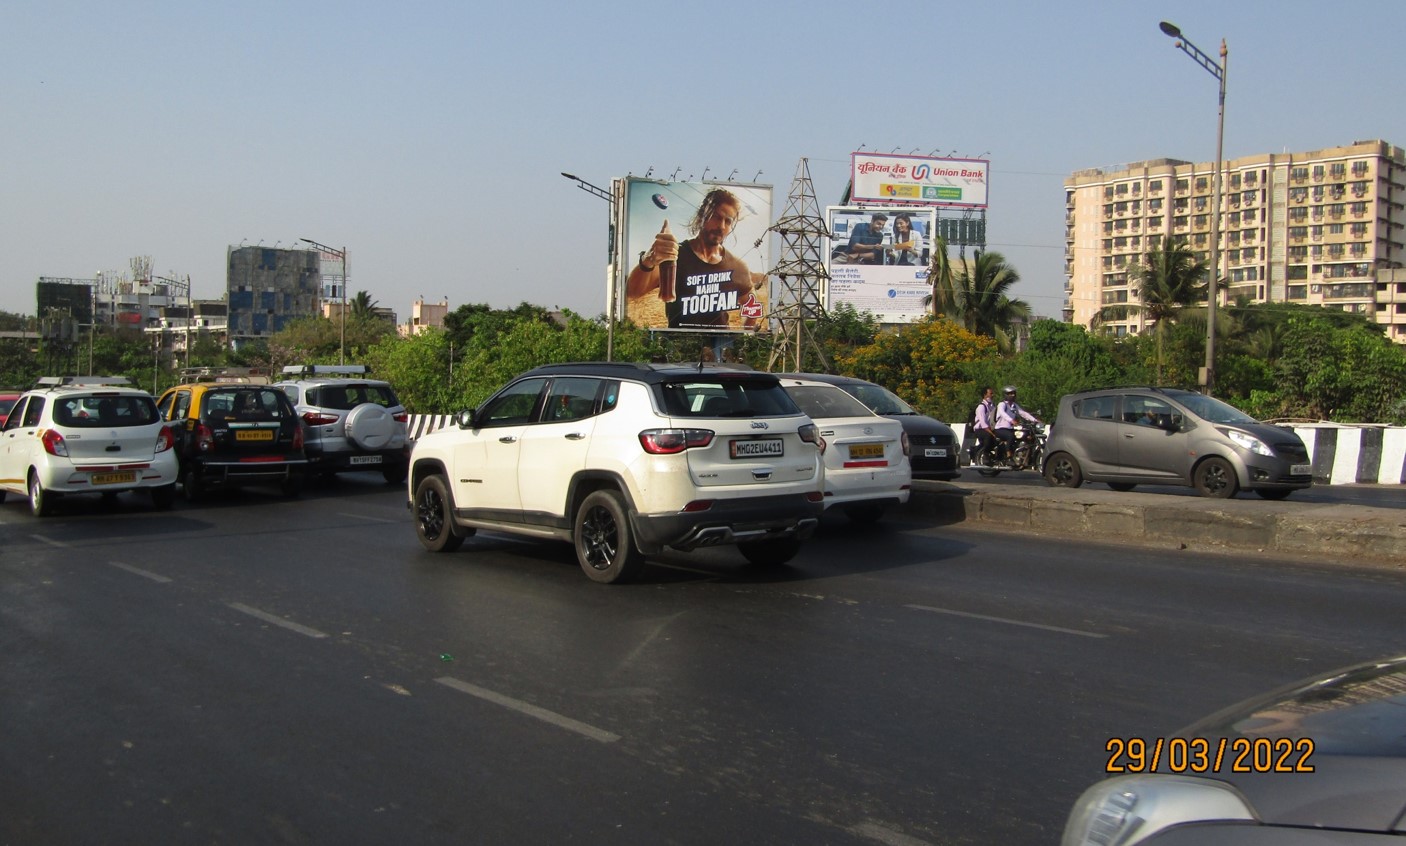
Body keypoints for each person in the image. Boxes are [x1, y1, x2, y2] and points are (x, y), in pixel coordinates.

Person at [627, 188, 759, 330]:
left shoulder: (737, 266)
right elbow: (632, 292)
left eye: (728, 221)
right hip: (679, 346)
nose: (721, 226)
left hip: (718, 347)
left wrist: (743, 340)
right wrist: (649, 259)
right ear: (702, 215)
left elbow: (752, 307)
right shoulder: (673, 255)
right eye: (716, 217)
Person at [994, 385, 1042, 461]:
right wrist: (1011, 420)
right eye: (1010, 393)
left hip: (1010, 428)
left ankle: (1021, 454)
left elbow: (1023, 413)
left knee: (1025, 435)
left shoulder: (1014, 405)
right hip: (1000, 428)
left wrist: (1034, 420)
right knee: (1010, 436)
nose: (1013, 395)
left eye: (1014, 393)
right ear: (1006, 394)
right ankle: (1009, 456)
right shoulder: (1002, 404)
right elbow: (1003, 414)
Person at [969, 386, 996, 465]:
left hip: (988, 428)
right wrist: (992, 433)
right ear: (985, 395)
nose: (992, 395)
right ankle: (985, 455)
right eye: (990, 393)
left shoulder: (992, 406)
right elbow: (983, 424)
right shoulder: (981, 407)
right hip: (980, 429)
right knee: (989, 436)